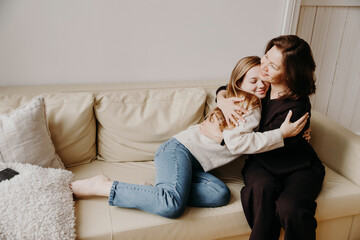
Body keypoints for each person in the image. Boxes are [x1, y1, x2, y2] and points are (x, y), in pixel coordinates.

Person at [70, 56, 307, 219]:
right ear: (240, 83)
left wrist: (301, 133)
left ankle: (154, 191)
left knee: (220, 194)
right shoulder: (247, 103)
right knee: (171, 206)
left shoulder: (252, 101)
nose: (261, 86)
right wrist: (281, 134)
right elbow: (237, 142)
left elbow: (230, 98)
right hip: (178, 150)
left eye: (264, 81)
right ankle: (104, 186)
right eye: (253, 81)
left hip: (196, 166)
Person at [208, 35, 325, 240]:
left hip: (297, 165)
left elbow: (259, 139)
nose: (264, 67)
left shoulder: (297, 107)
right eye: (266, 57)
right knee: (261, 191)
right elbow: (233, 85)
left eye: (273, 66)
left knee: (290, 208)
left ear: (289, 74)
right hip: (261, 163)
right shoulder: (265, 85)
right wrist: (222, 99)